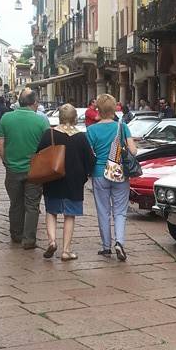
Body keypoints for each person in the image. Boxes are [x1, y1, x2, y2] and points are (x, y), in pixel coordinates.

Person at [36, 103, 96, 262]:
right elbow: (90, 160)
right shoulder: (81, 136)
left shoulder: (49, 134)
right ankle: (66, 250)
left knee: (51, 211)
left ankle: (52, 241)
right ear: (75, 118)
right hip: (74, 181)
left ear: (60, 117)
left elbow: (39, 155)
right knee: (70, 215)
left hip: (52, 177)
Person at [0, 87, 49, 249]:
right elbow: (48, 146)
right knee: (32, 205)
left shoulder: (6, 118)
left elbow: (0, 142)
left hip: (13, 168)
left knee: (15, 203)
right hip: (34, 169)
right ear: (34, 103)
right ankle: (29, 239)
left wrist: (6, 161)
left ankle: (16, 234)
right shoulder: (41, 120)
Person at [87, 93, 137, 261]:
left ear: (98, 110)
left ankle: (106, 246)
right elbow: (133, 151)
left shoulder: (91, 130)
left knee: (103, 210)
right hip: (120, 172)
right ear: (114, 109)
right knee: (120, 211)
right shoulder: (122, 127)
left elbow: (89, 153)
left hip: (99, 173)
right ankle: (120, 243)